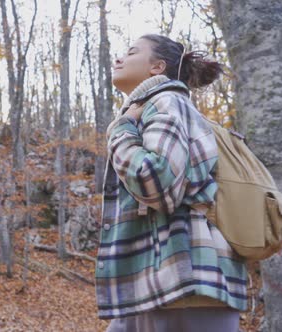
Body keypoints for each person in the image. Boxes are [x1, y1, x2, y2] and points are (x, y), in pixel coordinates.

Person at [96, 34, 247, 332]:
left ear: (157, 67)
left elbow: (157, 183)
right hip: (162, 284)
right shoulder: (150, 107)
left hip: (187, 286)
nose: (118, 58)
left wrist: (120, 131)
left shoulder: (167, 101)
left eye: (131, 52)